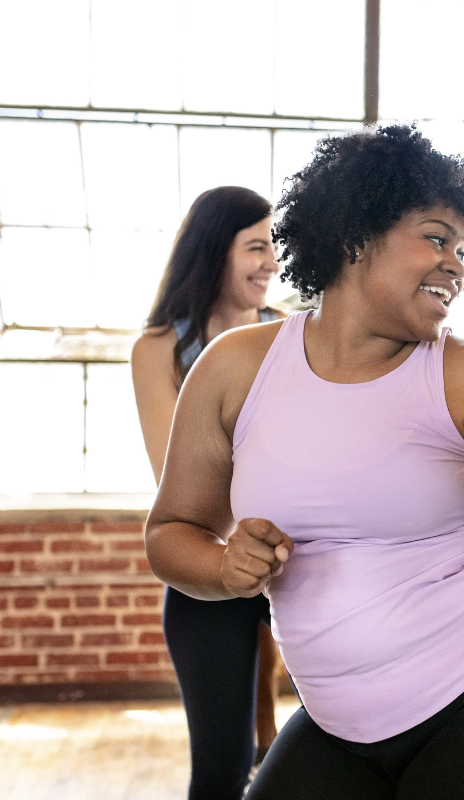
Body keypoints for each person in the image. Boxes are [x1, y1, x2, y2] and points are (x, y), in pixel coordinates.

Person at [142, 125, 464, 800]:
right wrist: (224, 569)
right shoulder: (234, 371)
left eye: (463, 247)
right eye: (435, 237)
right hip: (340, 722)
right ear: (353, 236)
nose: (455, 262)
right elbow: (170, 533)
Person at [131, 186, 286, 800]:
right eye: (256, 246)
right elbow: (181, 488)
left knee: (281, 753)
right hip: (210, 568)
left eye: (273, 245)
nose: (272, 261)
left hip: (295, 558)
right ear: (213, 252)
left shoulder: (292, 334)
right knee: (222, 767)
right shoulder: (160, 349)